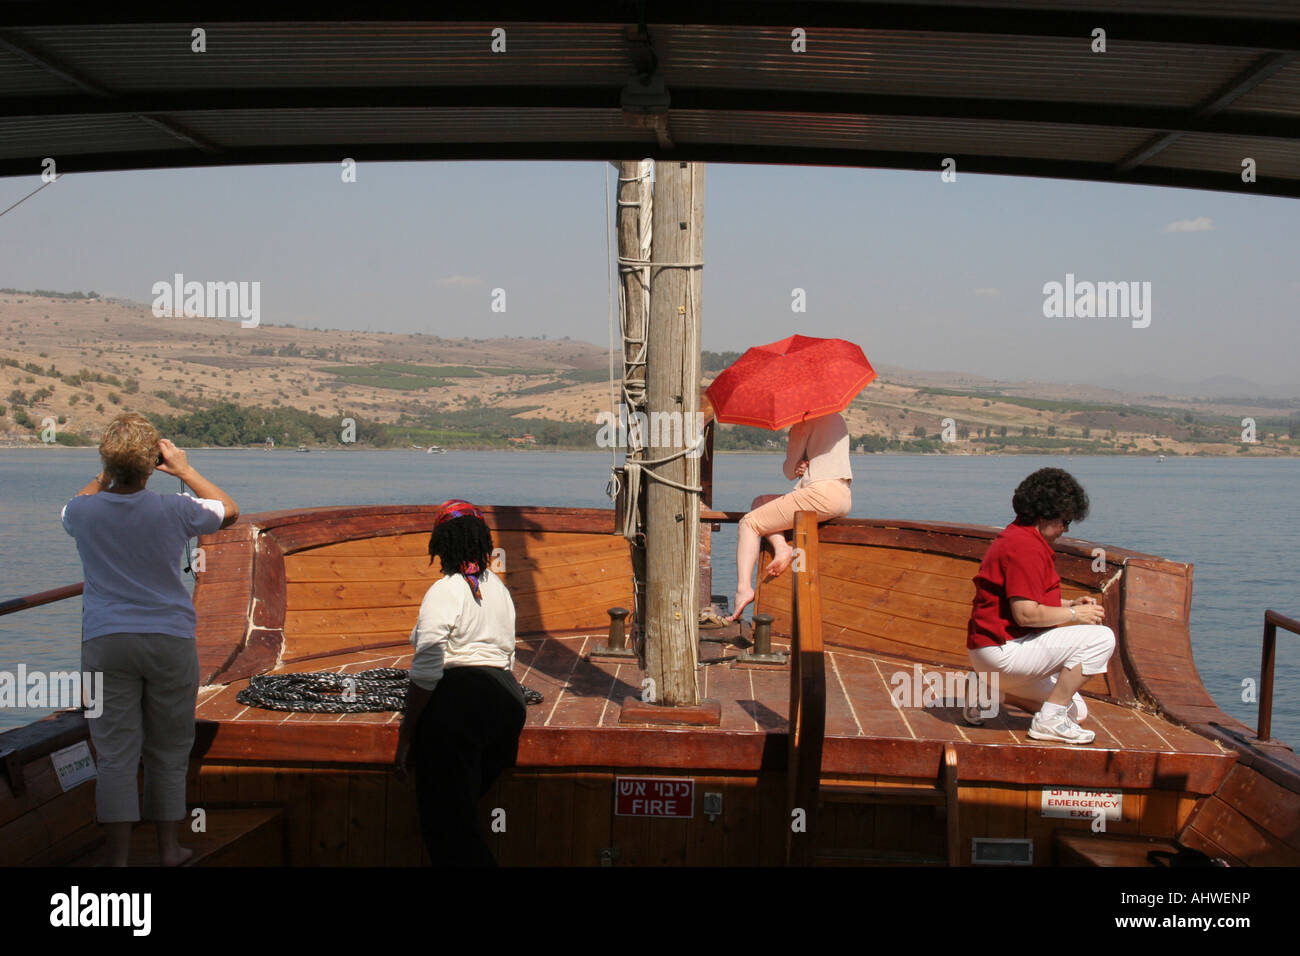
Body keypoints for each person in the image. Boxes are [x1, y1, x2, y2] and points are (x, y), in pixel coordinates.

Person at [61, 413, 239, 865]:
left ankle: (118, 860)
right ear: (150, 464)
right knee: (168, 748)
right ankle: (167, 850)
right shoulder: (176, 509)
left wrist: (109, 471)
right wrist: (183, 468)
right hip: (168, 639)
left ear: (107, 460)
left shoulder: (83, 511)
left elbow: (77, 502)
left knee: (116, 753)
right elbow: (229, 510)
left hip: (106, 640)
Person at [396, 499, 526, 866]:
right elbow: (507, 654)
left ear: (440, 544)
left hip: (459, 708)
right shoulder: (498, 589)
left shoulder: (445, 591)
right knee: (462, 816)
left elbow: (426, 669)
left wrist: (408, 734)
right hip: (506, 704)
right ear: (483, 540)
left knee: (449, 833)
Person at [966, 468, 1115, 745]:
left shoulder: (1015, 537)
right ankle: (1048, 722)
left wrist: (1070, 603)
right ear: (1045, 514)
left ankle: (989, 690)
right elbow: (1025, 613)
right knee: (1101, 638)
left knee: (1076, 711)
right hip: (1003, 652)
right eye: (1065, 521)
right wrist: (1074, 615)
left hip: (988, 654)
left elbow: (1022, 599)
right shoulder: (1026, 548)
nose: (1067, 529)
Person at [728, 411, 852, 621]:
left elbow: (788, 471)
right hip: (842, 494)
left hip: (820, 494)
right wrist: (806, 464)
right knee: (760, 503)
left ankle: (743, 589)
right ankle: (782, 547)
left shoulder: (803, 422)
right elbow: (826, 459)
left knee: (749, 523)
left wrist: (796, 462)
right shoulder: (837, 418)